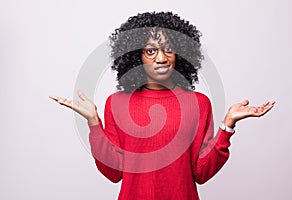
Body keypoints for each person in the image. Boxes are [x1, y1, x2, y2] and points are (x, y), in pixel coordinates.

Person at [49, 11, 275, 200]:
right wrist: (94, 123)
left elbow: (201, 173)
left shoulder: (198, 104)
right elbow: (114, 172)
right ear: (136, 57)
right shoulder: (116, 103)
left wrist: (227, 127)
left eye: (168, 49)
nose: (161, 58)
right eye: (150, 51)